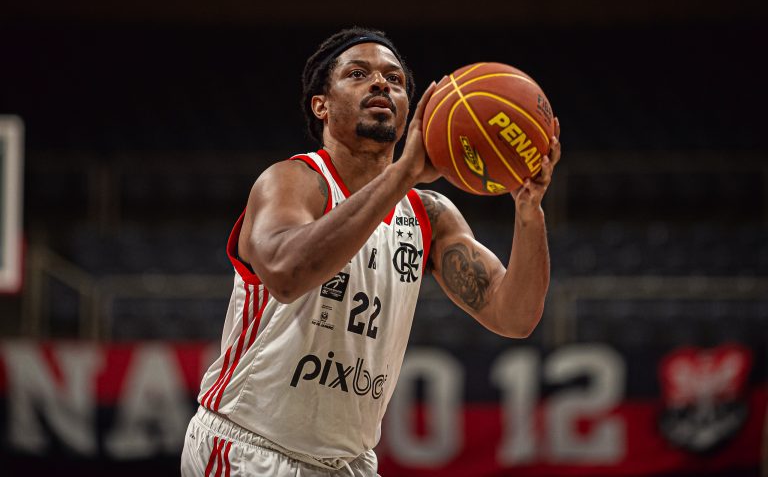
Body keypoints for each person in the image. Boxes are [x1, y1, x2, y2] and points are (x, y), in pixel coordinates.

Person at [180, 27, 561, 477]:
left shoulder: (430, 215)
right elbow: (286, 275)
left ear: (410, 111)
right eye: (358, 74)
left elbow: (514, 316)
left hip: (347, 463)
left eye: (394, 79)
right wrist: (403, 174)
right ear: (321, 105)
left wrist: (529, 211)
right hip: (249, 449)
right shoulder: (295, 182)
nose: (381, 83)